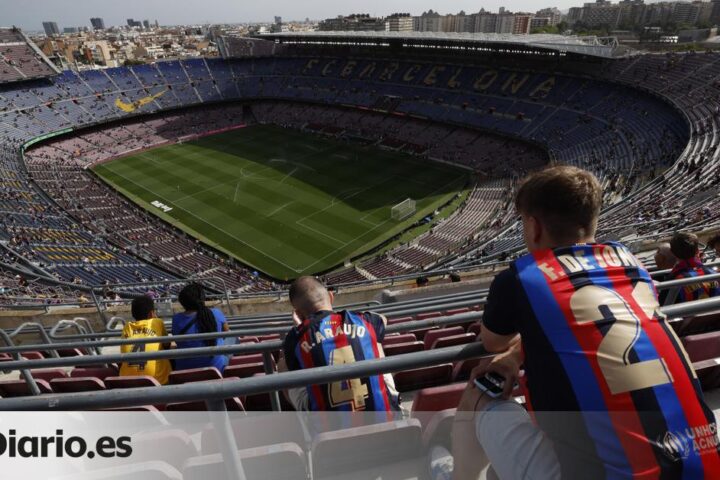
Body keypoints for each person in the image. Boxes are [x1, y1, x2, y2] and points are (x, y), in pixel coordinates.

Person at [434, 166, 720, 479]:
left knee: (479, 392)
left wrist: (511, 352)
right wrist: (517, 354)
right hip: (703, 463)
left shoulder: (521, 277)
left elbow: (493, 342)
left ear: (534, 226)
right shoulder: (633, 265)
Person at [280, 276, 399, 412]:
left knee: (283, 364)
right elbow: (382, 319)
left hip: (328, 425)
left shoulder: (295, 337)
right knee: (374, 341)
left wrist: (301, 328)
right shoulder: (363, 320)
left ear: (298, 313)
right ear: (331, 297)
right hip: (387, 418)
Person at [171, 283, 230, 373]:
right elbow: (227, 332)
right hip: (216, 369)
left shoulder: (176, 319)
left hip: (185, 371)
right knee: (233, 338)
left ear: (182, 302)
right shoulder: (216, 313)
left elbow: (177, 341)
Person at [119, 296, 171, 385]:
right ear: (151, 313)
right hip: (158, 381)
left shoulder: (127, 327)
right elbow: (167, 345)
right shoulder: (157, 322)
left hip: (129, 382)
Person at [668, 231, 720, 304]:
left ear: (672, 253)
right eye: (718, 252)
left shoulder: (672, 279)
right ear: (697, 251)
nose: (718, 256)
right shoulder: (712, 273)